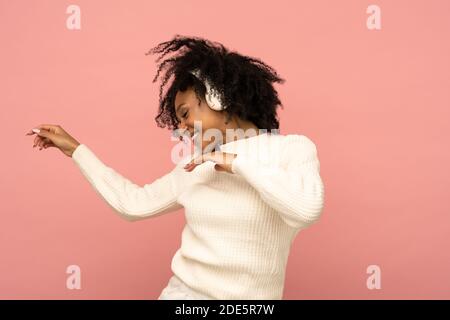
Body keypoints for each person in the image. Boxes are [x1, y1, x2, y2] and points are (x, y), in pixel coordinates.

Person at [26, 35, 325, 300]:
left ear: (218, 97)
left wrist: (237, 163)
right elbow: (133, 204)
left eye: (185, 114)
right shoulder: (196, 164)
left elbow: (306, 210)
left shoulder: (292, 149)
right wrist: (77, 151)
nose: (181, 128)